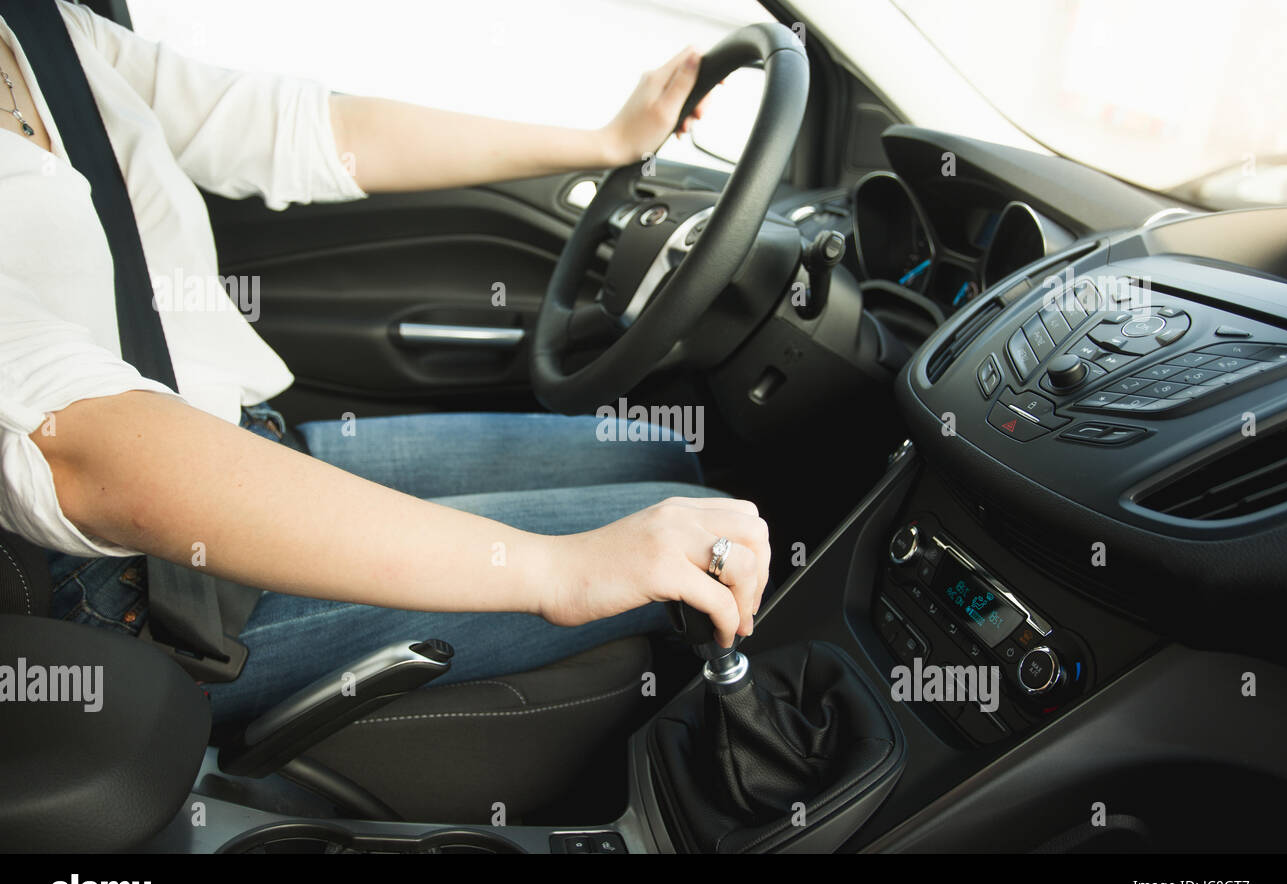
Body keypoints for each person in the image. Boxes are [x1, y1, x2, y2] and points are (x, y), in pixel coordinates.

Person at [0, 2, 770, 724]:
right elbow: (81, 448)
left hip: (241, 444)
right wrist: (561, 571)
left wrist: (608, 140)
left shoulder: (45, 32)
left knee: (659, 451)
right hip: (139, 589)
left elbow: (300, 130)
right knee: (696, 564)